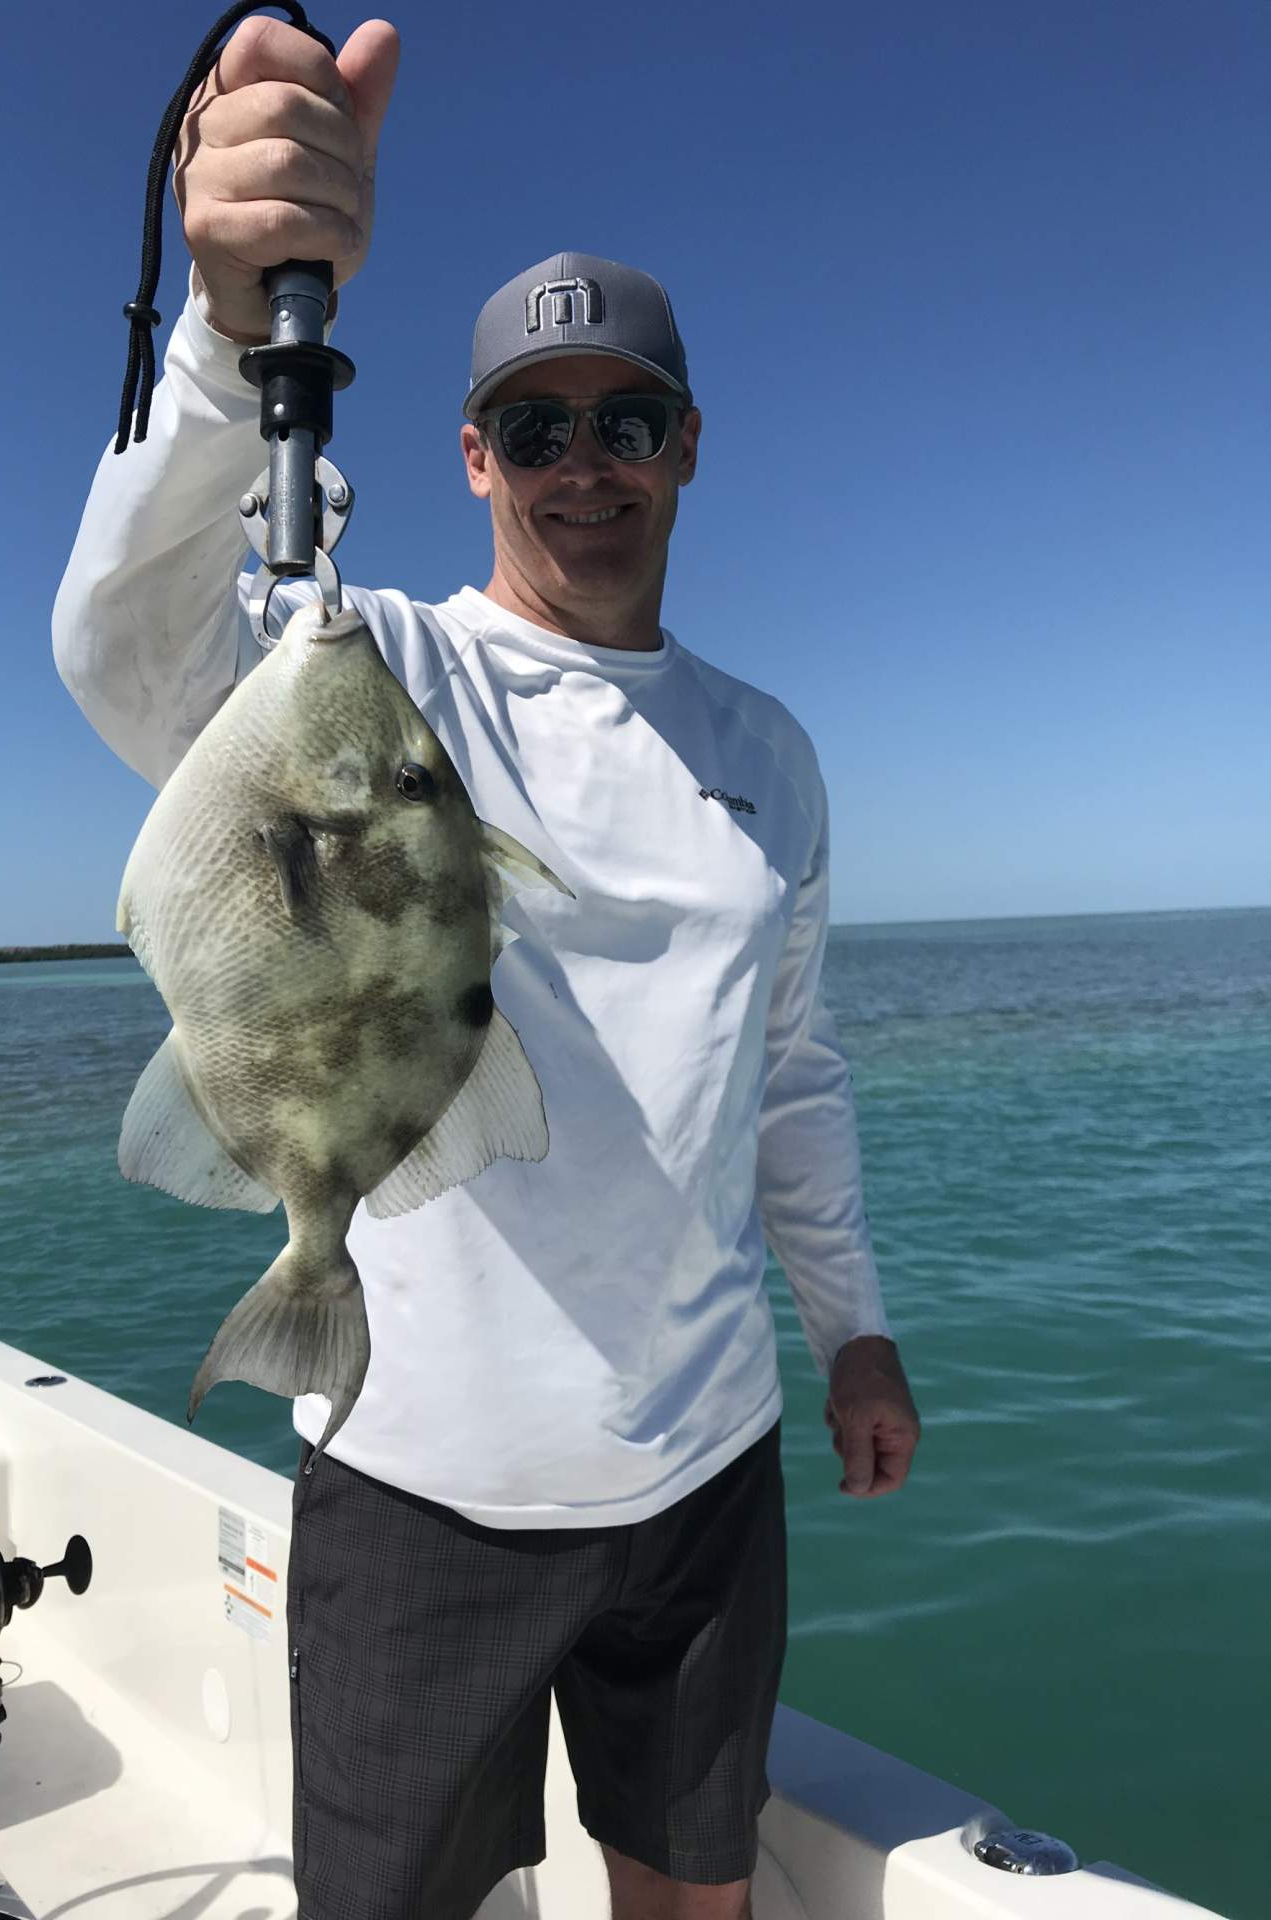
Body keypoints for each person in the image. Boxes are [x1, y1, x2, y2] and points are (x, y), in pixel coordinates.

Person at [52, 18, 921, 1920]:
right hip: (419, 1471)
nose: (583, 466)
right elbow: (124, 652)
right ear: (471, 457)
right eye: (537, 426)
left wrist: (850, 1322)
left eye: (626, 421)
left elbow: (787, 1066)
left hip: (705, 1469)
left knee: (695, 1897)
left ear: (688, 444)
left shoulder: (768, 752)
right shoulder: (377, 672)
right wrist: (219, 334)